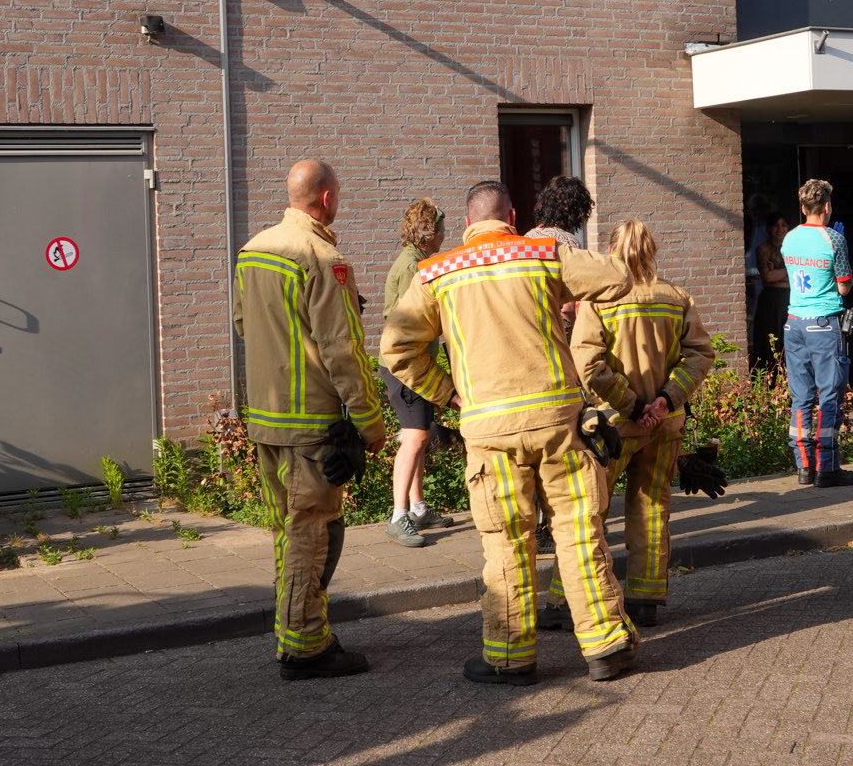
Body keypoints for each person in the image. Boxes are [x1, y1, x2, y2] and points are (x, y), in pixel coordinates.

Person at [381, 181, 640, 686]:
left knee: (505, 541)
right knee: (577, 531)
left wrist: (448, 393)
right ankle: (606, 644)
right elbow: (619, 278)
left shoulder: (437, 272)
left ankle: (509, 657)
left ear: (465, 224)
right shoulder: (542, 254)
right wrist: (563, 268)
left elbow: (397, 346)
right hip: (557, 422)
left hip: (488, 427)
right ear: (514, 215)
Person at [235, 159, 387, 680]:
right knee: (312, 532)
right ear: (326, 199)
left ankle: (297, 630)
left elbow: (241, 323)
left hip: (265, 419)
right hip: (312, 427)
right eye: (338, 195)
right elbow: (343, 351)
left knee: (287, 529)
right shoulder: (323, 257)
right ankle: (305, 648)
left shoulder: (254, 250)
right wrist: (370, 423)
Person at [539, 219, 714, 629]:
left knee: (587, 513)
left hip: (613, 428)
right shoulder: (677, 297)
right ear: (652, 250)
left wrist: (633, 407)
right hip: (665, 425)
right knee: (652, 507)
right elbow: (699, 355)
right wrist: (665, 400)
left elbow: (588, 364)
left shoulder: (598, 302)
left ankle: (564, 604)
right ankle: (645, 598)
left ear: (613, 252)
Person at [523, 174, 595, 556]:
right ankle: (554, 523)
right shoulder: (567, 244)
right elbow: (569, 303)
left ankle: (532, 520)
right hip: (557, 344)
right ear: (577, 211)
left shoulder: (528, 238)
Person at [382, 198, 455, 548]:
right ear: (430, 231)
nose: (444, 234)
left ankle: (418, 508)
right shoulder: (414, 267)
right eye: (441, 227)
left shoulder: (417, 261)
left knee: (422, 433)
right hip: (406, 368)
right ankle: (398, 517)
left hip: (415, 365)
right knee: (414, 438)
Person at [780, 178, 853, 488]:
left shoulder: (788, 239)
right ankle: (827, 468)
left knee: (800, 397)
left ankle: (803, 467)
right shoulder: (834, 239)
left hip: (794, 322)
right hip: (824, 324)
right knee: (829, 396)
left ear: (803, 208)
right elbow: (843, 285)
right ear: (827, 207)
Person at [749, 211, 792, 371]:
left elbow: (798, 277)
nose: (779, 229)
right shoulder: (764, 249)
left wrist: (780, 273)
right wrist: (789, 270)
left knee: (787, 340)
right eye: (776, 225)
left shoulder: (793, 248)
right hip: (772, 301)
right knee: (770, 340)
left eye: (783, 225)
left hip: (790, 299)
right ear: (769, 228)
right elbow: (767, 277)